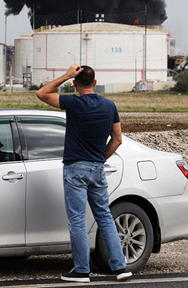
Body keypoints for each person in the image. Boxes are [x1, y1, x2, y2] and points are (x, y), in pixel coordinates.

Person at [36, 64, 131, 283]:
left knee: (77, 220)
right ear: (95, 83)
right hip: (98, 168)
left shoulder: (73, 102)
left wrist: (66, 76)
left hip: (75, 168)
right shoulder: (110, 106)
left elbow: (42, 93)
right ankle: (120, 267)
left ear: (75, 84)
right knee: (105, 216)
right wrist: (99, 160)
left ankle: (81, 270)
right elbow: (117, 139)